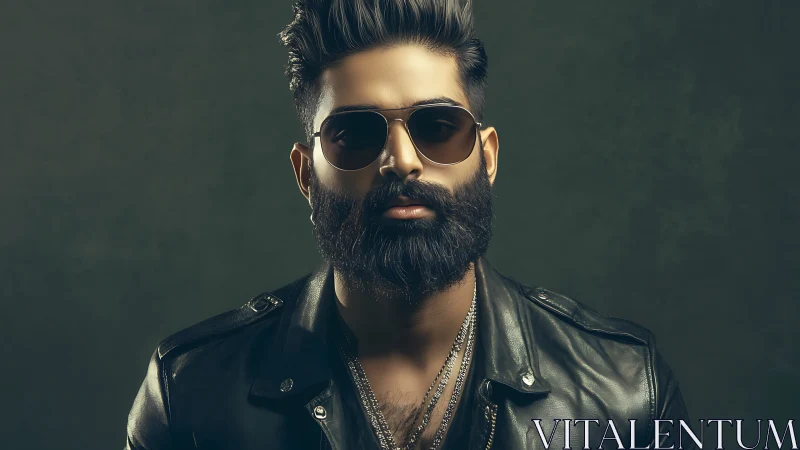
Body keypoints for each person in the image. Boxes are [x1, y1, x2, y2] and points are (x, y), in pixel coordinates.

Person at [125, 1, 692, 449]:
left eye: (438, 125)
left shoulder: (624, 391)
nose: (401, 160)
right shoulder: (192, 394)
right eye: (355, 134)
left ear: (487, 156)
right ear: (305, 173)